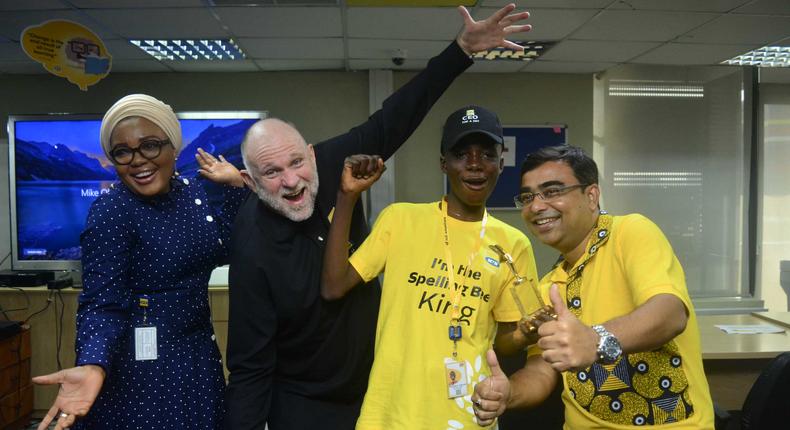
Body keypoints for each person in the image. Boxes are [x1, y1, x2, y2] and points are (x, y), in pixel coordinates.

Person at [223, 4, 534, 429]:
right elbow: (249, 362)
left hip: (374, 389)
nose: (292, 181)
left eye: (297, 162)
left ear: (311, 154)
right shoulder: (251, 239)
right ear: (251, 181)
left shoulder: (334, 163)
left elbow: (396, 117)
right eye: (272, 173)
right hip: (303, 400)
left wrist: (461, 50)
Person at [32, 94, 247, 430]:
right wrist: (92, 363)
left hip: (197, 360)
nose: (137, 160)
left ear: (173, 147)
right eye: (122, 152)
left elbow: (228, 249)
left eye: (150, 145)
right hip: (138, 374)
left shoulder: (193, 193)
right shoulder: (112, 211)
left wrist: (235, 187)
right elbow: (102, 303)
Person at [320, 105, 540, 429]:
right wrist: (346, 196)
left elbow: (505, 339)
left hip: (469, 412)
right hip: (391, 413)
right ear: (443, 164)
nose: (475, 164)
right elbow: (333, 285)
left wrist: (524, 332)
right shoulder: (400, 219)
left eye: (487, 154)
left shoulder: (513, 243)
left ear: (501, 163)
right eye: (462, 154)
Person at [471, 145, 715, 429]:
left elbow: (670, 313)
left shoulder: (630, 232)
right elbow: (542, 371)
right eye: (527, 197)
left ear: (591, 196)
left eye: (552, 191)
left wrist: (595, 339)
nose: (536, 206)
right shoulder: (549, 285)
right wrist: (508, 394)